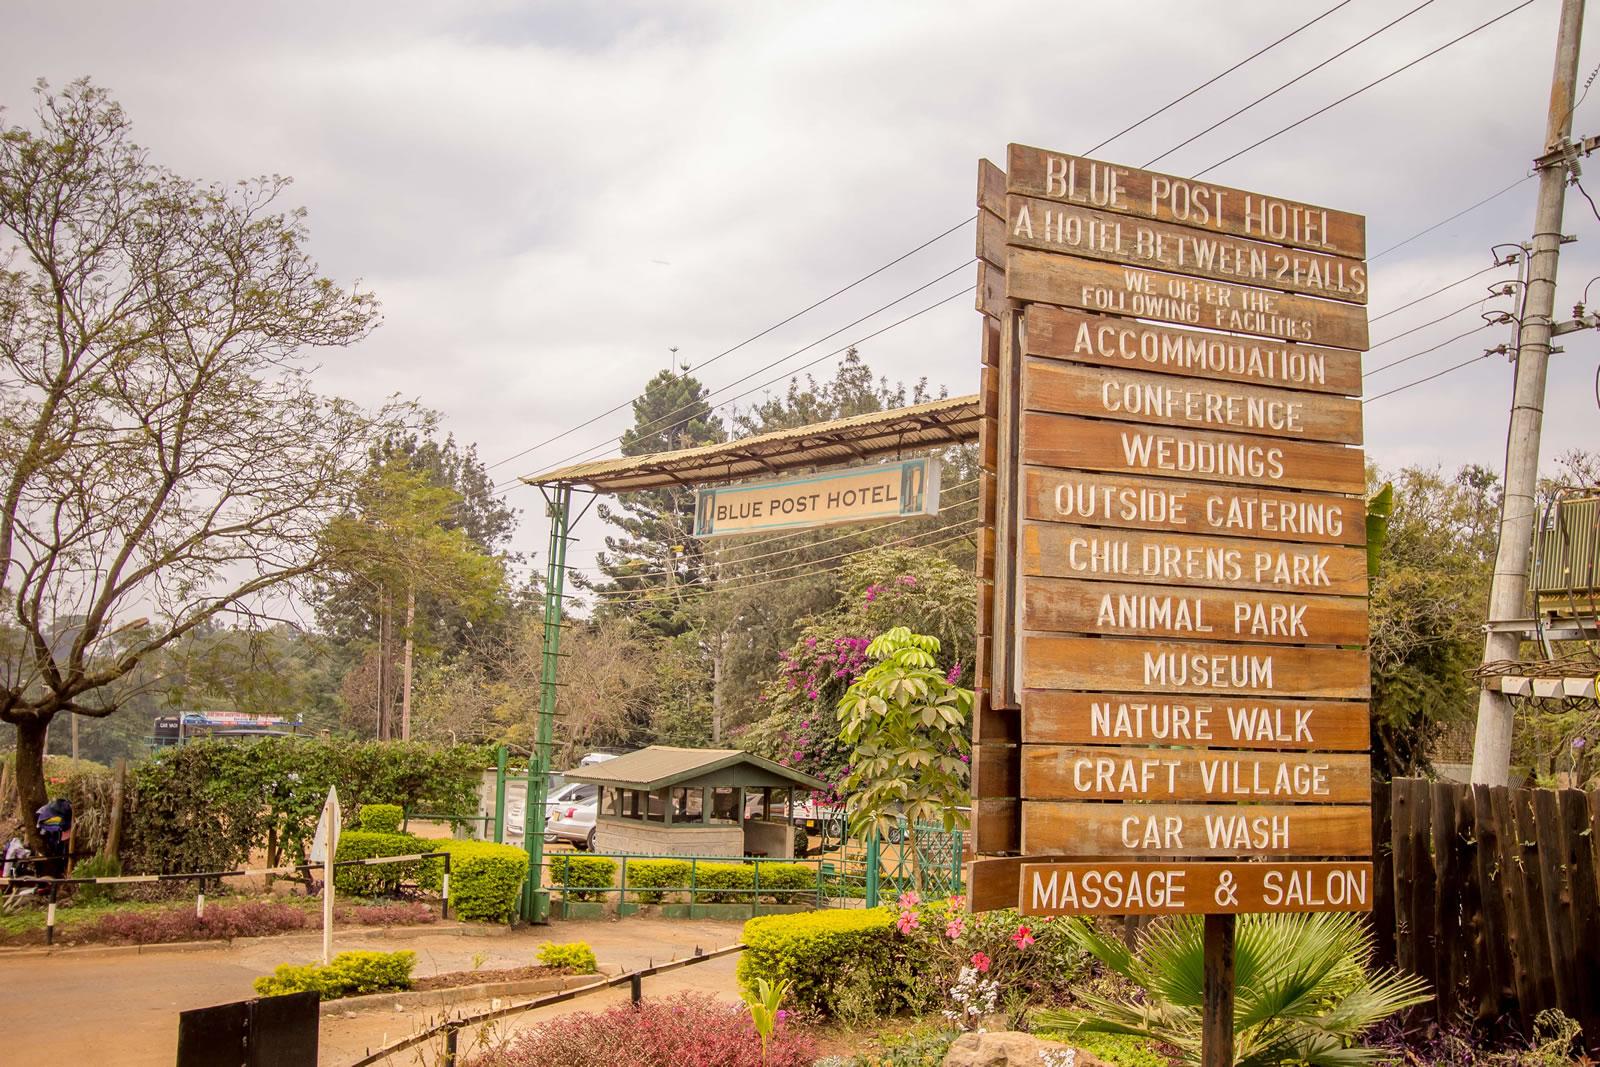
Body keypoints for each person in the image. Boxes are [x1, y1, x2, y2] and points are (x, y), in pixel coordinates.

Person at [35, 797, 72, 877]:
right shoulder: (59, 809)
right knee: (60, 853)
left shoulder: (48, 811)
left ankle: (60, 872)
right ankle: (60, 871)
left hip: (58, 834)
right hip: (58, 834)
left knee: (60, 853)